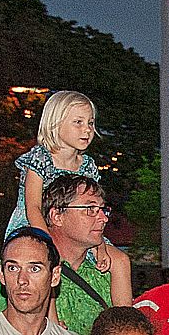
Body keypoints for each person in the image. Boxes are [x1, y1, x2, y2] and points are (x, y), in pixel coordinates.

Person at [0, 176, 130, 335]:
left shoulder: (107, 272)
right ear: (57, 216)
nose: (103, 218)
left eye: (103, 210)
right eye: (90, 209)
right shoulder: (15, 270)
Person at [6, 90, 100, 235]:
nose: (87, 129)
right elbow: (33, 208)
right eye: (78, 122)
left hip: (74, 232)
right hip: (35, 230)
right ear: (55, 124)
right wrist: (50, 243)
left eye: (91, 123)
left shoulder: (87, 166)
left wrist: (98, 246)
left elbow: (93, 208)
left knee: (120, 258)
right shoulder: (41, 160)